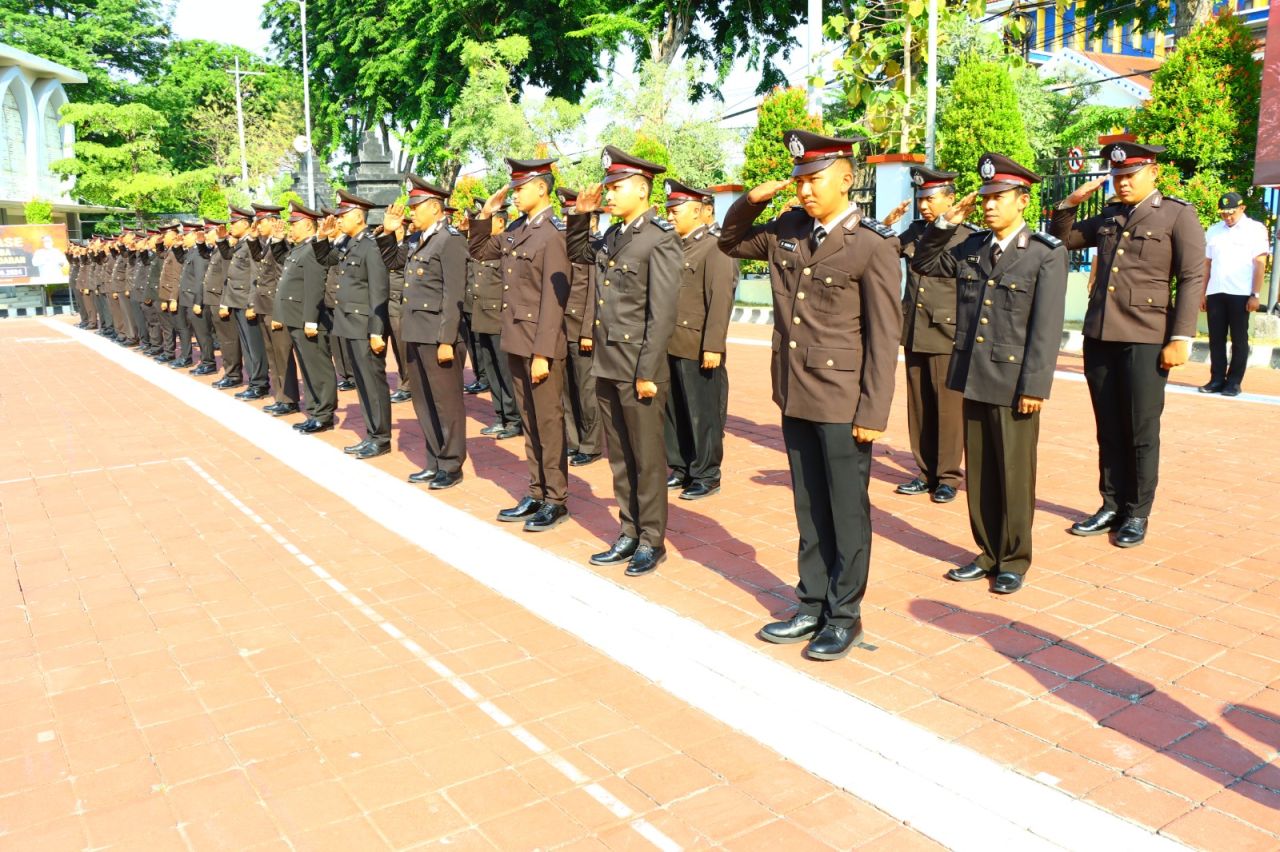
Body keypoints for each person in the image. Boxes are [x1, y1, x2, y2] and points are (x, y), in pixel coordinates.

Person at [718, 130, 902, 660]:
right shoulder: (788, 230)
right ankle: (811, 601)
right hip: (795, 390)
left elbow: (884, 335)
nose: (803, 190)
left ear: (847, 178)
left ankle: (844, 615)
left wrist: (874, 410)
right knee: (808, 505)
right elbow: (729, 243)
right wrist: (752, 201)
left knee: (846, 510)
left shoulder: (872, 243)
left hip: (844, 400)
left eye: (814, 179)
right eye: (798, 180)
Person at [912, 153, 1068, 595]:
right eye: (985, 198)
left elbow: (1046, 327)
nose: (989, 205)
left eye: (999, 197)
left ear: (1022, 201)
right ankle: (986, 551)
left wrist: (1035, 385)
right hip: (974, 375)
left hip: (1015, 381)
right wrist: (943, 225)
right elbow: (925, 262)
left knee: (1014, 473)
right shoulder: (972, 247)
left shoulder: (1043, 254)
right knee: (980, 471)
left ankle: (1014, 557)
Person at [1050, 140, 1206, 548]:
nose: (1121, 183)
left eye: (1129, 175)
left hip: (1146, 337)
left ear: (1153, 172)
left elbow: (1191, 278)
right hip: (1101, 335)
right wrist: (1069, 202)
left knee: (1140, 428)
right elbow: (1062, 240)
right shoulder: (1109, 215)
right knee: (1108, 426)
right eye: (1116, 177)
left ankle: (1137, 512)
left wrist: (1181, 336)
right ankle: (1110, 503)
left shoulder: (1176, 214)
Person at [568, 147, 682, 576]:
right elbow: (578, 254)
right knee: (620, 457)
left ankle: (652, 539)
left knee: (646, 457)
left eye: (616, 188)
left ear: (641, 188)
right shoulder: (615, 236)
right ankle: (629, 530)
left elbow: (662, 311)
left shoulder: (660, 237)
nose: (609, 195)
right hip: (608, 361)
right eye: (609, 187)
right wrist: (581, 215)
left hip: (639, 368)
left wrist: (648, 371)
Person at [469, 158, 572, 532]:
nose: (514, 194)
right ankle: (537, 489)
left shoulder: (553, 232)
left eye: (520, 188)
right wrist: (486, 212)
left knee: (547, 421)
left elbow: (554, 296)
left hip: (539, 346)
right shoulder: (517, 228)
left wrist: (543, 352)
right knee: (530, 421)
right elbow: (479, 250)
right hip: (515, 340)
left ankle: (556, 498)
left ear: (541, 188)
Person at [882, 166, 972, 505]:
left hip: (945, 331)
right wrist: (886, 226)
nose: (923, 205)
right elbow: (884, 251)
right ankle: (925, 472)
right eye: (921, 199)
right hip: (915, 328)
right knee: (918, 404)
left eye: (930, 199)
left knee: (947, 408)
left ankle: (949, 476)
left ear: (950, 200)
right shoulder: (915, 231)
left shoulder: (965, 235)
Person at [379, 177, 469, 488]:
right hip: (416, 332)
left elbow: (453, 294)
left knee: (446, 404)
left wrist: (447, 339)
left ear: (434, 207)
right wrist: (389, 233)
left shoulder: (450, 240)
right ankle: (435, 460)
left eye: (416, 207)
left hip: (438, 336)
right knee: (424, 401)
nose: (411, 213)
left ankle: (452, 464)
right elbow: (390, 261)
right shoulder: (419, 240)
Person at [661, 179, 737, 501]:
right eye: (669, 210)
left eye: (675, 210)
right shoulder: (675, 246)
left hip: (697, 346)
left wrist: (713, 345)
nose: (670, 216)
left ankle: (706, 474)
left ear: (698, 211)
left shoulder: (716, 246)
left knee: (701, 413)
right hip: (671, 341)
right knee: (675, 411)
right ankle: (681, 467)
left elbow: (720, 299)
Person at [314, 190, 393, 459]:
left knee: (373, 382)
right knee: (362, 383)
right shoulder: (349, 244)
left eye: (342, 216)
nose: (338, 220)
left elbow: (378, 291)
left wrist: (376, 330)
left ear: (358, 217)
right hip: (349, 323)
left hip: (364, 326)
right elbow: (325, 260)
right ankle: (372, 433)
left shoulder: (370, 246)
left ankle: (381, 437)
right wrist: (322, 237)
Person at [275, 201, 337, 434]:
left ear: (309, 226)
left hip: (307, 318)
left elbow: (314, 286)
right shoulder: (299, 248)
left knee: (318, 368)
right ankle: (314, 411)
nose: (291, 229)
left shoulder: (313, 249)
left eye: (295, 225)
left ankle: (324, 414)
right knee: (308, 368)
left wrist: (311, 319)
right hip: (295, 317)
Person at [1201, 191, 1269, 397]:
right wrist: (1202, 293)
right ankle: (1216, 379)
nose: (1227, 217)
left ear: (1242, 208)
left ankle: (1234, 382)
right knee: (1216, 339)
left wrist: (1255, 294)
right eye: (1223, 214)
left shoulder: (1255, 229)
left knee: (1239, 339)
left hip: (1240, 293)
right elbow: (1207, 264)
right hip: (1216, 291)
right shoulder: (1213, 231)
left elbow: (1260, 263)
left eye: (1231, 213)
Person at [556, 187, 604, 467]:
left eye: (572, 216)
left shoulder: (593, 248)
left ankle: (591, 444)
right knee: (566, 390)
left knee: (586, 391)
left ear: (593, 220)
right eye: (566, 216)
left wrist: (588, 331)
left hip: (580, 327)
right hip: (562, 326)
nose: (567, 221)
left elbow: (592, 292)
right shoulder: (564, 245)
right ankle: (572, 440)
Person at [468, 208, 522, 439]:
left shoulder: (506, 245)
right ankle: (500, 415)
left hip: (498, 317)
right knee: (491, 371)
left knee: (504, 371)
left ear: (499, 222)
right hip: (481, 315)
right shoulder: (488, 247)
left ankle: (514, 419)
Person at [251, 204, 301, 416]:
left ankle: (289, 399)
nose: (257, 226)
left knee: (283, 355)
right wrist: (253, 238)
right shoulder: (267, 243)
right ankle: (280, 395)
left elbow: (283, 279)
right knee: (273, 355)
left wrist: (279, 312)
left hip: (275, 307)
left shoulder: (283, 244)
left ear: (272, 222)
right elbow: (257, 260)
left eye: (260, 222)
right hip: (265, 305)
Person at [179, 220, 217, 375]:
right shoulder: (191, 252)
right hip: (188, 299)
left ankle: (208, 362)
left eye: (185, 235)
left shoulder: (199, 254)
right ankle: (204, 361)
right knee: (198, 333)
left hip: (196, 300)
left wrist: (198, 301)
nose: (183, 238)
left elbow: (200, 279)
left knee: (203, 334)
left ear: (194, 235)